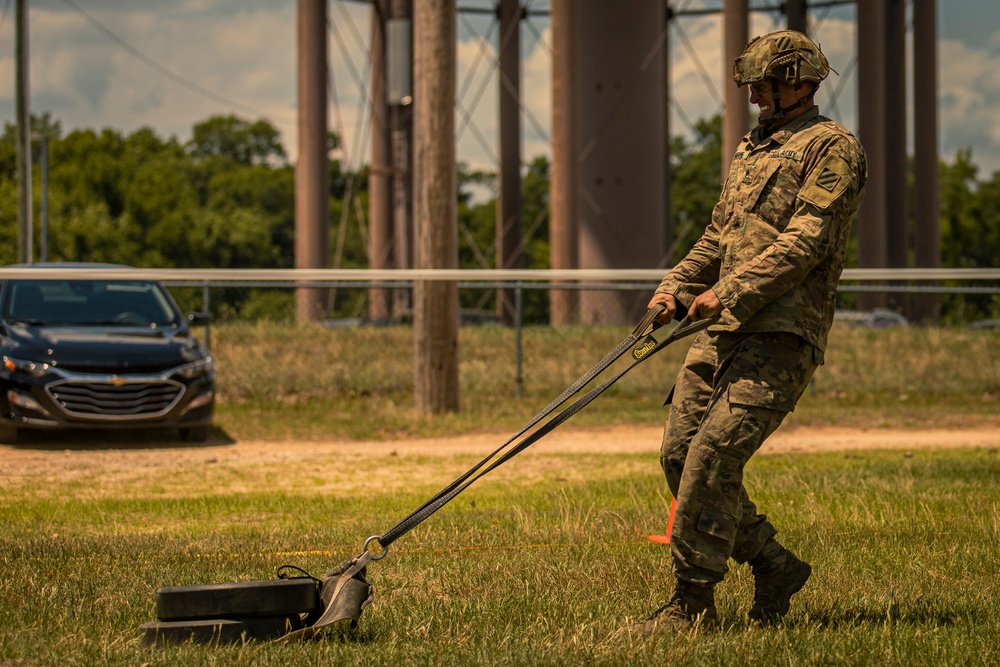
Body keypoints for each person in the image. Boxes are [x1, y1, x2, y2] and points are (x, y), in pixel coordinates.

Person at [637, 30, 867, 631]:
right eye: (754, 87)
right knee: (678, 455)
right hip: (720, 330)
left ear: (800, 80)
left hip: (781, 334)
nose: (757, 96)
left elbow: (805, 243)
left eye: (765, 84)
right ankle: (774, 564)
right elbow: (719, 238)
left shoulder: (833, 149)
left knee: (713, 457)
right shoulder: (753, 148)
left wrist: (728, 291)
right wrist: (677, 286)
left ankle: (692, 602)